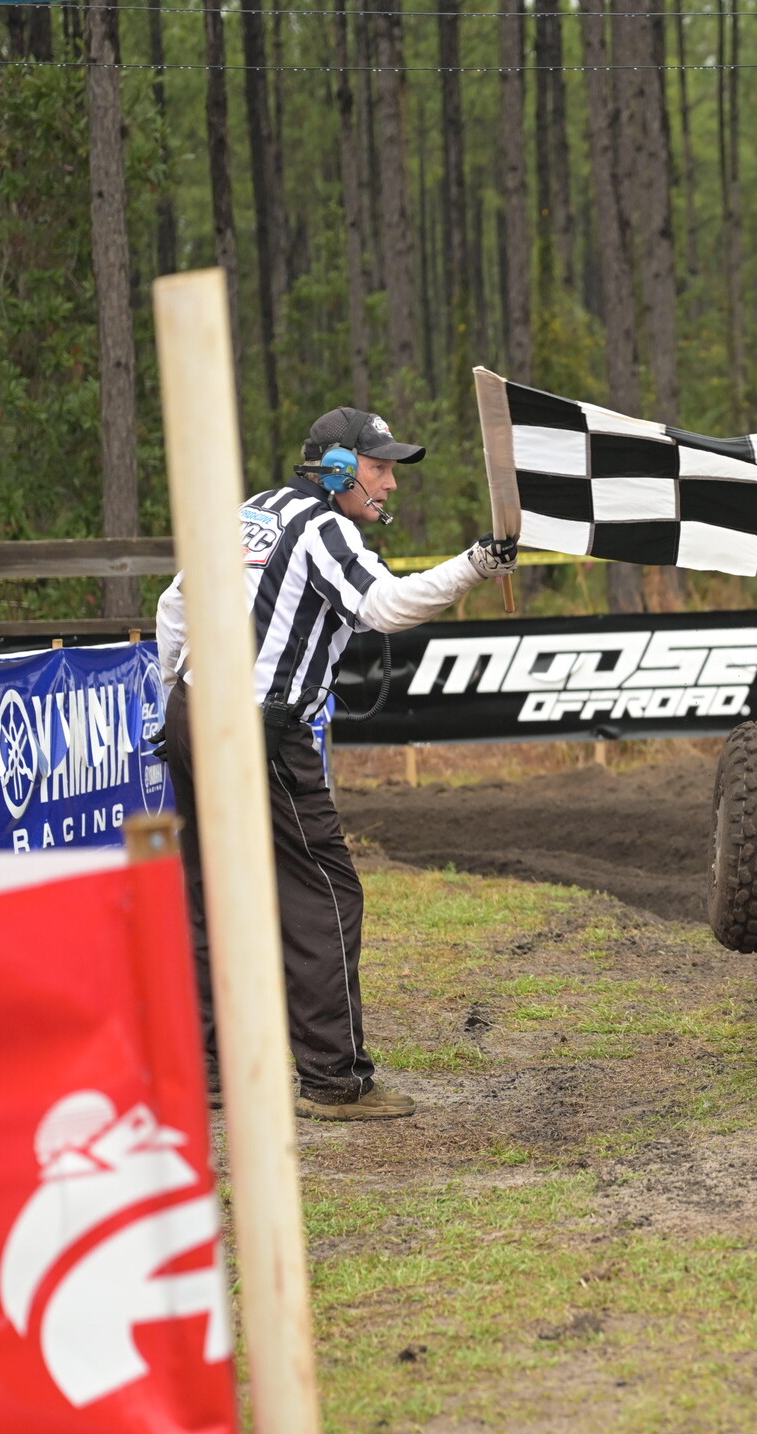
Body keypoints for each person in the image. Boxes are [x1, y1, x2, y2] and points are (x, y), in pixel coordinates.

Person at [157, 406, 516, 1121]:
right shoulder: (324, 527)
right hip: (255, 729)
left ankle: (210, 1069)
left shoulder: (254, 511)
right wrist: (474, 566)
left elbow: (175, 603)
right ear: (340, 470)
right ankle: (333, 1080)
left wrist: (178, 695)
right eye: (379, 468)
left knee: (211, 894)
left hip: (194, 712)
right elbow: (385, 606)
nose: (390, 484)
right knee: (324, 895)